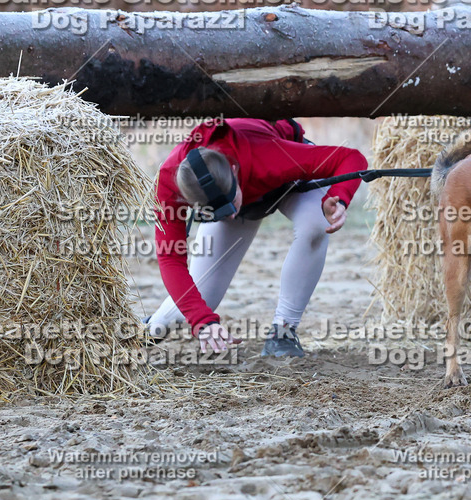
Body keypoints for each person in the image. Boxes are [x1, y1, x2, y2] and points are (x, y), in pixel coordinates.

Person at [146, 117, 367, 357]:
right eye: (216, 213)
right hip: (247, 196)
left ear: (233, 170)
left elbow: (351, 157)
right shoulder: (169, 185)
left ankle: (284, 332)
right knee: (199, 301)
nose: (228, 218)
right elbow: (170, 258)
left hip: (285, 180)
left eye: (229, 205)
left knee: (315, 224)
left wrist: (338, 197)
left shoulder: (269, 155)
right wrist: (203, 321)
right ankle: (148, 330)